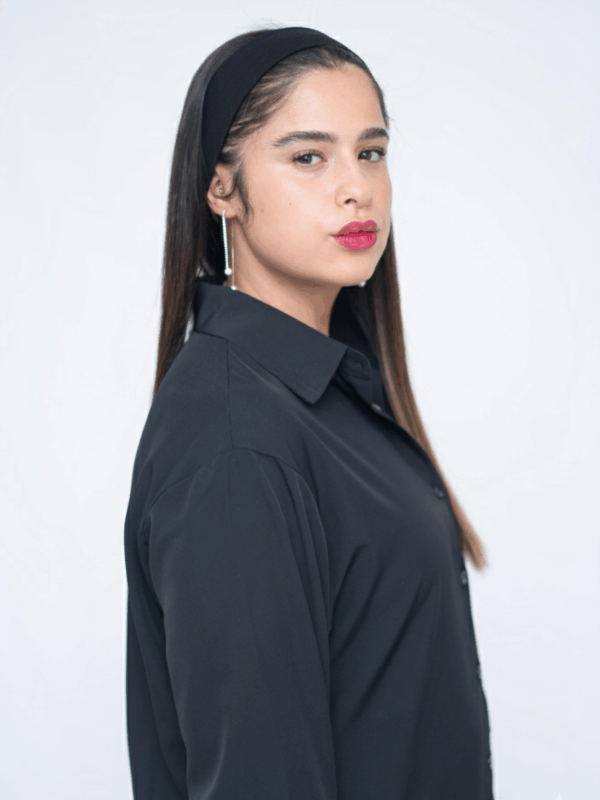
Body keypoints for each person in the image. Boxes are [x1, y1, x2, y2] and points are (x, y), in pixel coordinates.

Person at [123, 23, 494, 800]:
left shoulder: (329, 391)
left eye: (371, 152)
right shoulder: (236, 440)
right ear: (221, 188)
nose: (356, 187)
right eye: (307, 157)